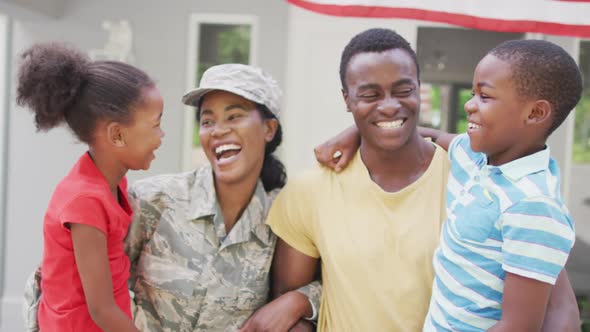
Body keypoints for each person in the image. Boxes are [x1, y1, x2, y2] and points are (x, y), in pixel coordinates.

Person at [269, 28, 580, 331]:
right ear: (347, 99)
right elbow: (289, 301)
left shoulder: (509, 190)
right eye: (369, 94)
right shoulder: (472, 164)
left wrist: (369, 124)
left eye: (404, 90)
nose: (389, 104)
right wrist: (357, 131)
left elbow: (551, 307)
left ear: (419, 88)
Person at [124, 63, 320, 331]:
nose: (217, 131)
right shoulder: (153, 200)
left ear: (269, 129)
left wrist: (298, 301)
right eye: (207, 121)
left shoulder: (284, 218)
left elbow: (339, 288)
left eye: (234, 116)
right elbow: (70, 279)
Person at [417, 39, 580, 331]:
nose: (469, 105)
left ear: (535, 113)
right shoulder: (471, 154)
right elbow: (428, 136)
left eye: (485, 97)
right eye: (472, 93)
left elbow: (517, 327)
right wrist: (353, 134)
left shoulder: (533, 205)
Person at [17, 43, 164, 331]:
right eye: (155, 125)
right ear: (117, 135)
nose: (161, 135)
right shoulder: (86, 201)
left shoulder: (110, 183)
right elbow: (102, 310)